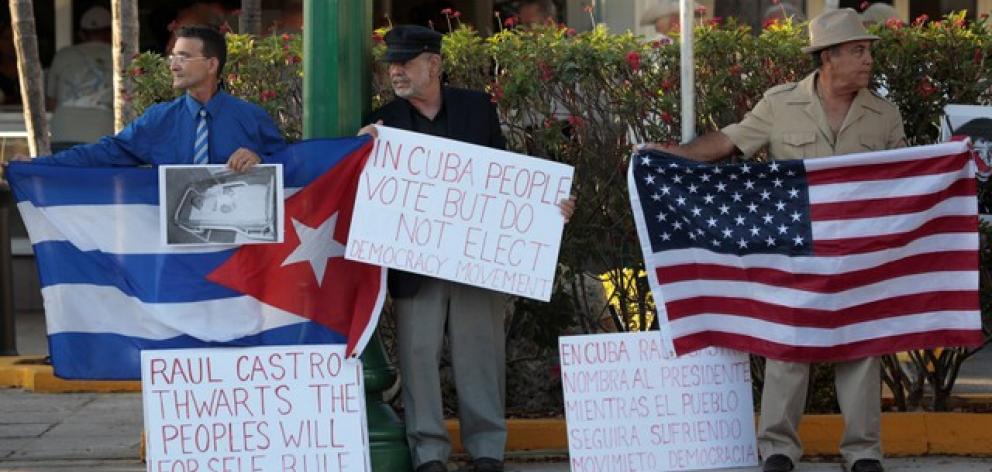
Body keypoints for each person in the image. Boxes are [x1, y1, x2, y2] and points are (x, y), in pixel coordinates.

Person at [641, 9, 904, 472]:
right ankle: (778, 449)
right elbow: (730, 141)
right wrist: (674, 156)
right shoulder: (780, 104)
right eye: (858, 51)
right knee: (788, 347)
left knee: (861, 349)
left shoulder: (884, 115)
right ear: (829, 57)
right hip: (797, 252)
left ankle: (863, 454)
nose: (868, 60)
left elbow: (904, 178)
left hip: (857, 254)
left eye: (869, 51)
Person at [358, 25, 574, 472]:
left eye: (405, 62)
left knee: (481, 352)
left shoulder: (477, 109)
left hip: (477, 260)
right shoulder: (384, 123)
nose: (395, 71)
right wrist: (360, 151)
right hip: (415, 262)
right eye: (391, 64)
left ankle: (487, 450)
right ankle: (429, 454)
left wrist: (547, 208)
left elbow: (506, 179)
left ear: (433, 65)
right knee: (417, 356)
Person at [13, 25, 283, 170]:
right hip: (175, 253)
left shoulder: (250, 117)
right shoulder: (160, 119)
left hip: (235, 255)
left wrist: (261, 158)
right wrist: (40, 164)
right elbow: (106, 152)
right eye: (173, 56)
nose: (173, 65)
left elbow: (291, 164)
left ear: (212, 65)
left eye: (184, 57)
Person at [46, 6, 114, 147]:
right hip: (102, 131)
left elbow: (51, 102)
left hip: (63, 131)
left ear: (82, 34)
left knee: (64, 170)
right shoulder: (119, 57)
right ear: (111, 33)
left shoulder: (63, 54)